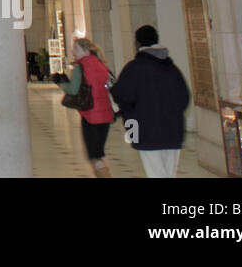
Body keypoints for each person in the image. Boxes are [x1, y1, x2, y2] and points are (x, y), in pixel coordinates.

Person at [110, 25, 191, 178]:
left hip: (146, 131)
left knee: (155, 173)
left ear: (138, 43)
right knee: (169, 173)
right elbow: (184, 98)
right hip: (173, 130)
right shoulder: (172, 69)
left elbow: (122, 95)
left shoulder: (134, 68)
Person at [54, 37, 115, 177]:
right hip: (106, 115)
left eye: (76, 49)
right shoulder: (101, 64)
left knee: (94, 155)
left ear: (85, 50)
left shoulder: (80, 67)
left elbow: (73, 90)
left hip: (90, 115)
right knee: (100, 151)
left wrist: (61, 83)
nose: (73, 51)